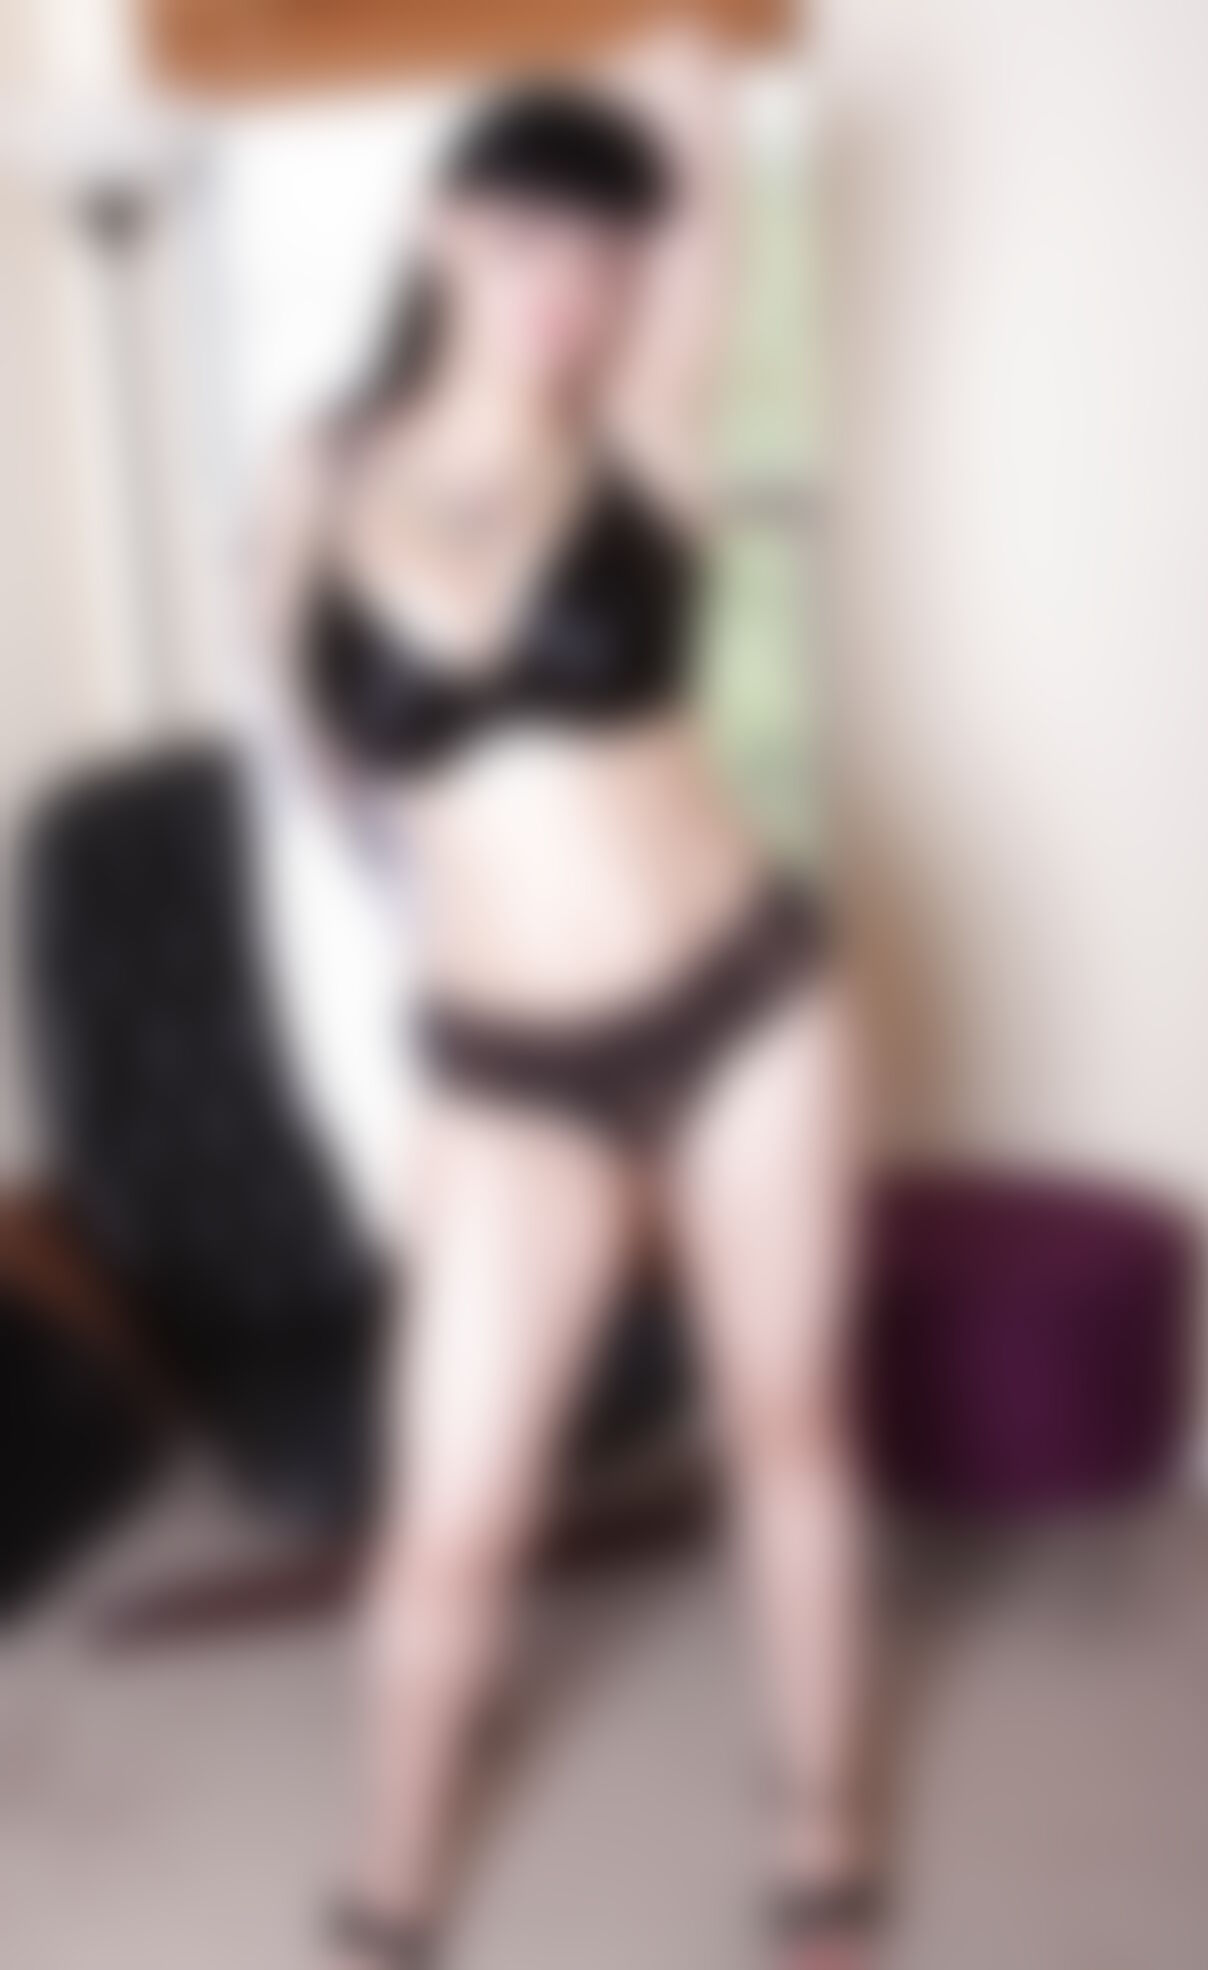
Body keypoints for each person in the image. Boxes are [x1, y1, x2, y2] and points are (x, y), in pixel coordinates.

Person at [250, 27, 880, 1970]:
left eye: (610, 253)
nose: (574, 287)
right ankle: (392, 1878)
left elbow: (691, 94)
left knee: (783, 1423)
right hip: (508, 1067)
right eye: (533, 235)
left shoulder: (649, 423)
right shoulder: (307, 477)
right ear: (442, 223)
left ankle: (819, 1826)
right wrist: (403, 1094)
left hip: (738, 1007)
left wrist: (661, 93)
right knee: (450, 1510)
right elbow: (320, 799)